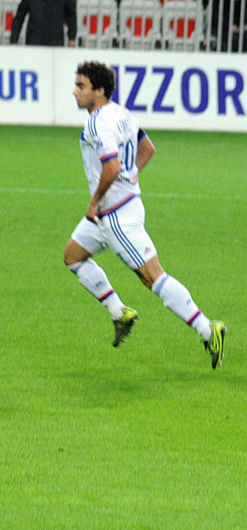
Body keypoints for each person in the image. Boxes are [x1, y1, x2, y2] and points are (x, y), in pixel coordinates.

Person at [64, 61, 226, 369]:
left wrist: (95, 201)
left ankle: (209, 329)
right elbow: (148, 148)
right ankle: (118, 312)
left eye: (81, 86)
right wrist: (132, 174)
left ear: (99, 91)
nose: (75, 91)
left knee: (153, 277)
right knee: (73, 256)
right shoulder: (123, 114)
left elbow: (111, 167)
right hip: (120, 208)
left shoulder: (98, 122)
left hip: (114, 215)